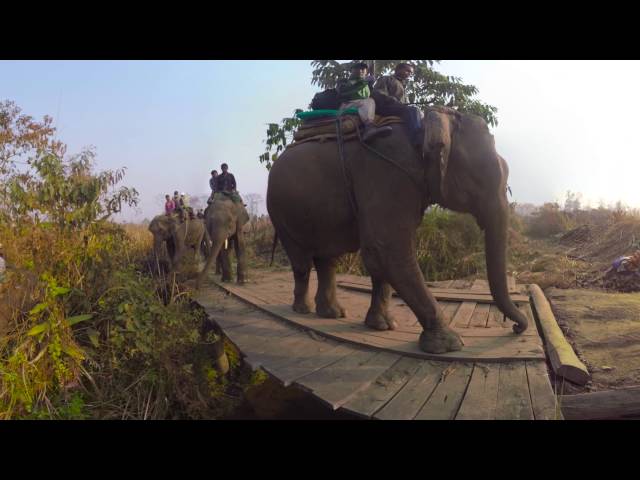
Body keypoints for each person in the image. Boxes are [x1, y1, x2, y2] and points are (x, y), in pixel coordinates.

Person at [336, 62, 392, 143]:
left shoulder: (367, 84)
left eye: (364, 69)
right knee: (369, 101)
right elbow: (343, 91)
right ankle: (369, 127)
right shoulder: (343, 81)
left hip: (362, 107)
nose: (361, 71)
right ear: (351, 70)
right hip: (347, 106)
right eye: (358, 68)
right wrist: (363, 82)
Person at [373, 62, 423, 148]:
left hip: (398, 108)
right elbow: (378, 93)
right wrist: (391, 99)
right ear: (398, 70)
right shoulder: (386, 79)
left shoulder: (403, 85)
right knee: (413, 110)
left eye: (411, 73)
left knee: (419, 112)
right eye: (407, 71)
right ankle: (416, 138)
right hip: (384, 107)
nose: (409, 74)